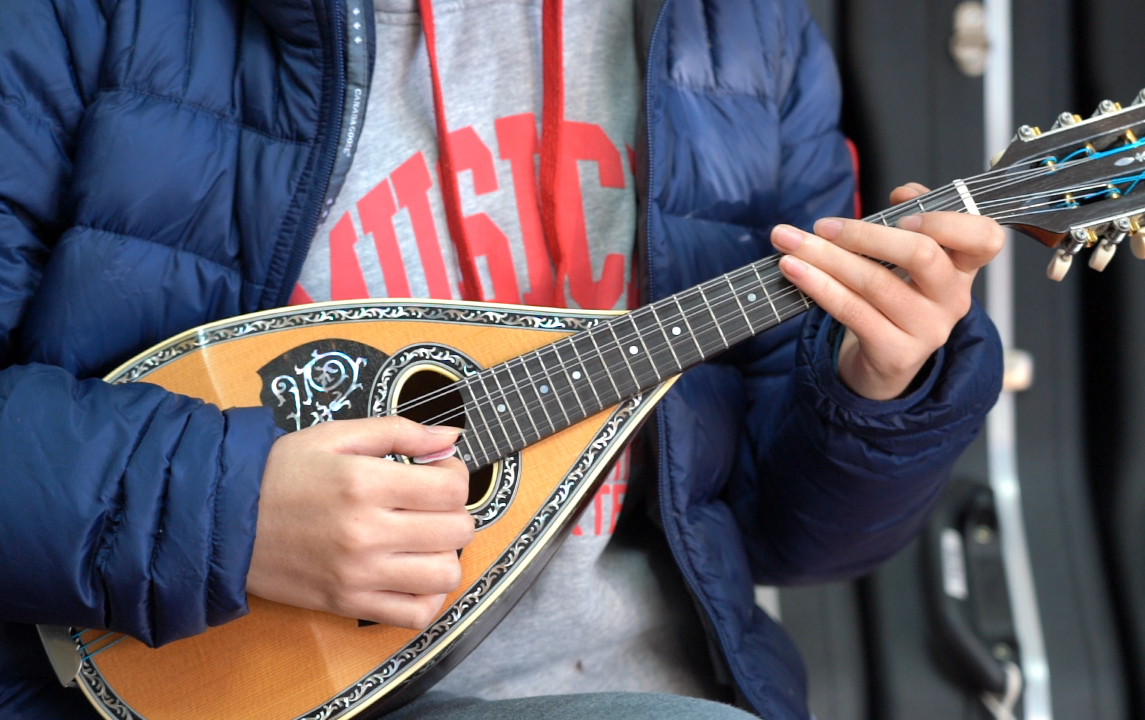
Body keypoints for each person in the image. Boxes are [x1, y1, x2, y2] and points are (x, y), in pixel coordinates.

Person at [0, 0, 1004, 718]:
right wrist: (234, 509)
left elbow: (787, 539)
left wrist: (881, 390)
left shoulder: (737, 33)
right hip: (222, 682)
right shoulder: (83, 19)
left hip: (651, 682)